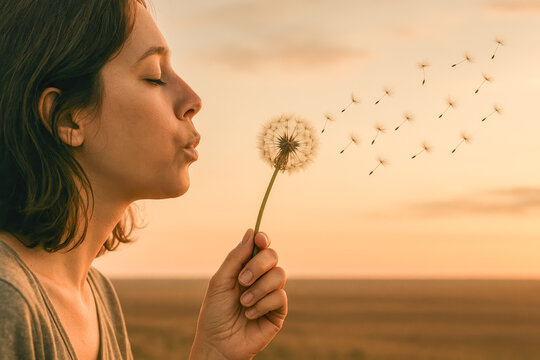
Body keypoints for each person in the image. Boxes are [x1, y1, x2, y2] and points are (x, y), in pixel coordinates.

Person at [0, 0, 288, 359]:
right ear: (69, 119)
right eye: (154, 75)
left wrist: (215, 352)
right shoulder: (8, 302)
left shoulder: (96, 294)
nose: (193, 100)